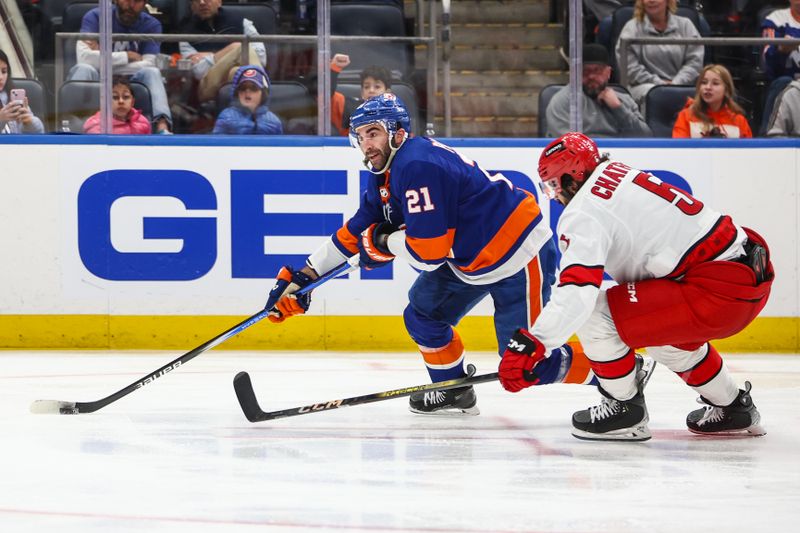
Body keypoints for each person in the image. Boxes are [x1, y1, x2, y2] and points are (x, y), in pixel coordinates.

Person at [262, 93, 601, 416]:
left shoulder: (417, 165)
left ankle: (617, 375)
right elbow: (356, 231)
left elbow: (428, 256)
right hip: (468, 259)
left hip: (517, 254)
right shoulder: (384, 174)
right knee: (423, 316)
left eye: (374, 133)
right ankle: (453, 389)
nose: (367, 143)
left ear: (398, 133)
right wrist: (305, 276)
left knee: (526, 362)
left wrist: (383, 243)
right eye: (361, 135)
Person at [498, 132, 773, 441]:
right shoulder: (619, 172)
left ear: (571, 178)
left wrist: (535, 343)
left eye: (553, 185)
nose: (555, 196)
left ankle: (623, 409)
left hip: (716, 290)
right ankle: (733, 406)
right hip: (746, 272)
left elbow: (577, 293)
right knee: (658, 333)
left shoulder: (583, 212)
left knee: (594, 315)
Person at [67, 0, 172, 134]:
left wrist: (101, 59)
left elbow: (149, 63)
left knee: (152, 72)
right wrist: (126, 56)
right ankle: (70, 129)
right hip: (98, 78)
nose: (131, 5)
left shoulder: (151, 25)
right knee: (83, 68)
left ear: (145, 3)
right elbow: (84, 58)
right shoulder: (94, 17)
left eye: (137, 1)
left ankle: (162, 128)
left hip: (131, 82)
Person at [545, 43, 651, 138]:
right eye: (585, 71)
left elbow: (645, 138)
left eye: (597, 70)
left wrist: (618, 108)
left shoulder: (624, 100)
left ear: (608, 73)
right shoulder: (563, 100)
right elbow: (565, 144)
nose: (591, 76)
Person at [615, 0, 704, 108]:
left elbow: (695, 61)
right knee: (654, 95)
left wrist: (676, 84)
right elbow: (629, 66)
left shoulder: (686, 24)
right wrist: (659, 84)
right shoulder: (632, 27)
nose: (651, 1)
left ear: (668, 2)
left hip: (682, 84)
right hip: (643, 86)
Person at [178, 0, 268, 103]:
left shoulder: (240, 21)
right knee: (241, 48)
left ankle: (249, 108)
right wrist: (234, 48)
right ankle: (263, 99)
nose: (202, 2)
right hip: (207, 87)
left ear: (219, 2)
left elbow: (261, 57)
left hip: (237, 79)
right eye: (197, 0)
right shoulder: (185, 32)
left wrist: (211, 56)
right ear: (192, 5)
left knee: (236, 72)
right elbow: (199, 72)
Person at [672, 64, 753, 138]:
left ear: (726, 90)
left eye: (715, 83)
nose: (708, 87)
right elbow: (679, 150)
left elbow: (749, 151)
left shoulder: (739, 121)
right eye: (704, 82)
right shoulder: (686, 116)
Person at [212, 65, 283, 135]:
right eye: (242, 88)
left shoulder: (273, 122)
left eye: (253, 88)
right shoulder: (227, 117)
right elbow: (215, 144)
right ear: (237, 93)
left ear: (263, 94)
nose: (247, 92)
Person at [331, 62, 393, 136]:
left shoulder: (397, 114)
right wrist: (334, 68)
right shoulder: (348, 107)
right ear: (362, 93)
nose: (371, 90)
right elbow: (326, 96)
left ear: (388, 93)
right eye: (366, 87)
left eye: (377, 87)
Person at [83, 76, 152, 134]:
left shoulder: (142, 122)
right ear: (106, 102)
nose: (121, 101)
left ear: (132, 102)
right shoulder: (97, 125)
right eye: (115, 97)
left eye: (126, 97)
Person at [0, 49, 44, 134]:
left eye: (4, 71)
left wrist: (29, 123)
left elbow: (40, 133)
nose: (0, 77)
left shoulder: (13, 98)